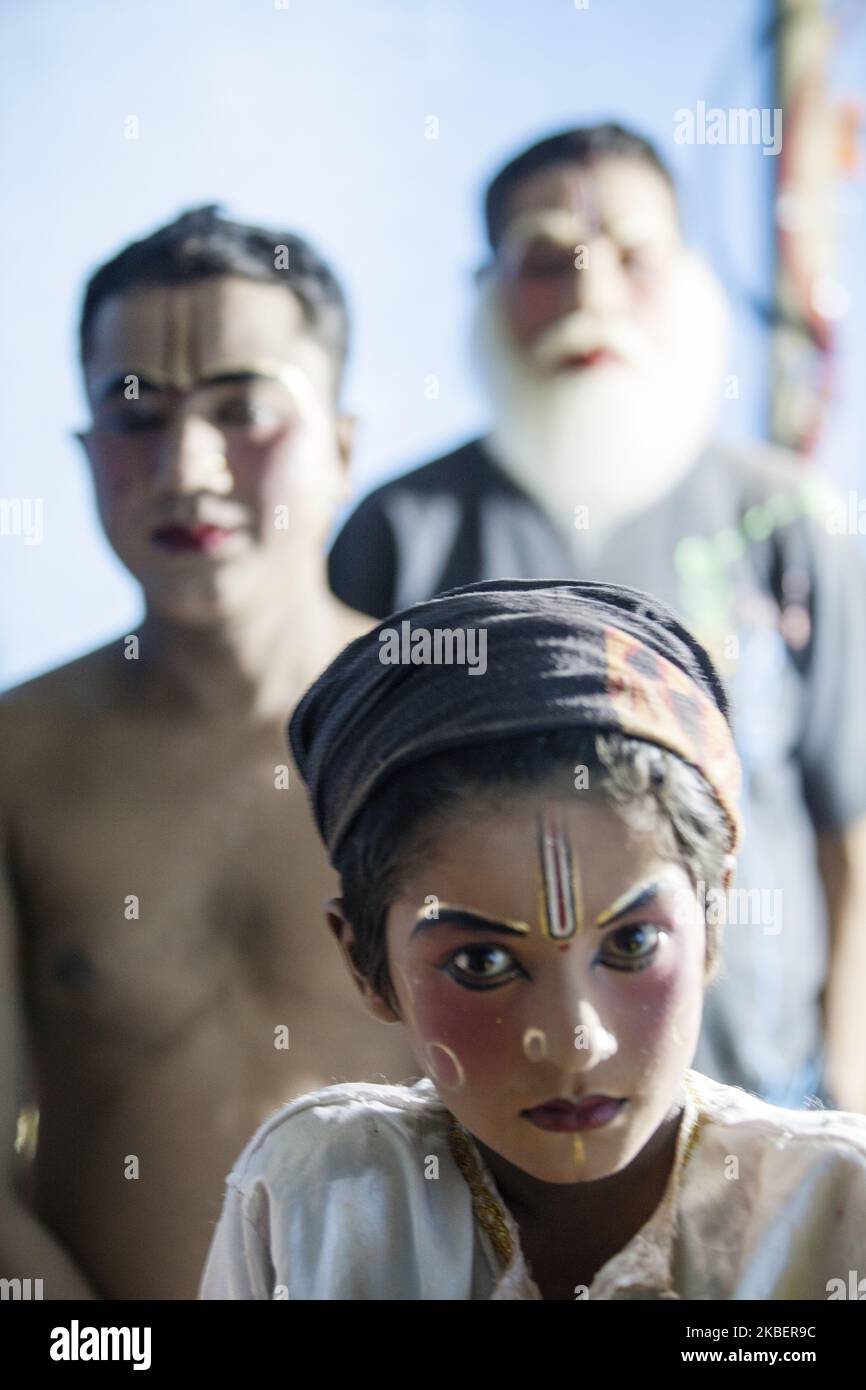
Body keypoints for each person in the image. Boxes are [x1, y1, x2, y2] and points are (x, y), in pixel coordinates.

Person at [327, 124, 866, 1113]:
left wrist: (846, 1084)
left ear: (690, 274)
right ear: (486, 288)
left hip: (769, 1094)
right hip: (490, 1107)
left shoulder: (788, 519)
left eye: (631, 254)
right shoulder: (397, 535)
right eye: (545, 260)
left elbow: (851, 825)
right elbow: (344, 850)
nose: (591, 293)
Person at [199, 580, 866, 1300]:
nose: (576, 1041)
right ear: (363, 961)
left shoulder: (836, 1210)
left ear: (713, 914)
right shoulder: (321, 1201)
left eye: (632, 945)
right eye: (482, 963)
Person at [0, 207, 415, 1300]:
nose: (185, 466)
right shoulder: (17, 757)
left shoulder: (453, 731)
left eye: (241, 409)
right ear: (85, 449)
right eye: (134, 411)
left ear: (339, 445)